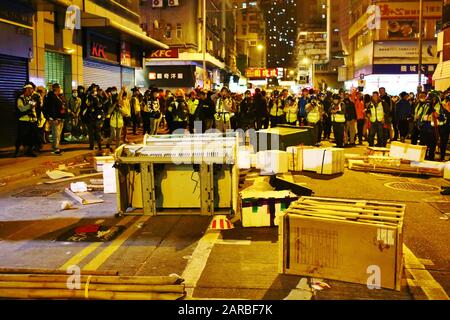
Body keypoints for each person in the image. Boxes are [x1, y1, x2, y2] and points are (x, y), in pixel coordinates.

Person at [15, 83, 38, 157]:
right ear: (26, 90)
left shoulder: (30, 98)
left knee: (32, 136)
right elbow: (21, 109)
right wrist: (30, 106)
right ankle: (17, 151)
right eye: (30, 90)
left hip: (31, 120)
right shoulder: (20, 98)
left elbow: (34, 107)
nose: (31, 92)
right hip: (23, 120)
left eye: (32, 90)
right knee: (21, 136)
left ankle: (29, 151)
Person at [43, 83, 66, 155]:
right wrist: (53, 118)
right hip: (56, 119)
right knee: (56, 134)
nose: (60, 89)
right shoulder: (51, 97)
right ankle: (56, 149)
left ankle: (56, 147)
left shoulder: (57, 97)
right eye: (59, 88)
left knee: (58, 134)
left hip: (60, 118)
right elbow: (51, 109)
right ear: (56, 89)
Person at [82, 86, 104, 151]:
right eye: (93, 90)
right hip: (89, 118)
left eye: (95, 90)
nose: (95, 92)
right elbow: (84, 106)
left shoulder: (98, 97)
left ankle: (99, 145)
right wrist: (88, 105)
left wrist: (101, 116)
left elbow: (101, 106)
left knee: (98, 133)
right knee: (91, 133)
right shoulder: (87, 98)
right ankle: (92, 146)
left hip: (97, 118)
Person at [419, 92, 439, 161]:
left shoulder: (438, 107)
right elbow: (421, 115)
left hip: (433, 128)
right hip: (425, 127)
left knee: (432, 146)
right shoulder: (425, 106)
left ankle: (430, 158)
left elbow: (440, 117)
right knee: (424, 145)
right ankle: (423, 157)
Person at [440, 95, 450, 161]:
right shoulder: (443, 107)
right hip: (445, 127)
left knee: (444, 142)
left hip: (446, 126)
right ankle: (442, 156)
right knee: (443, 142)